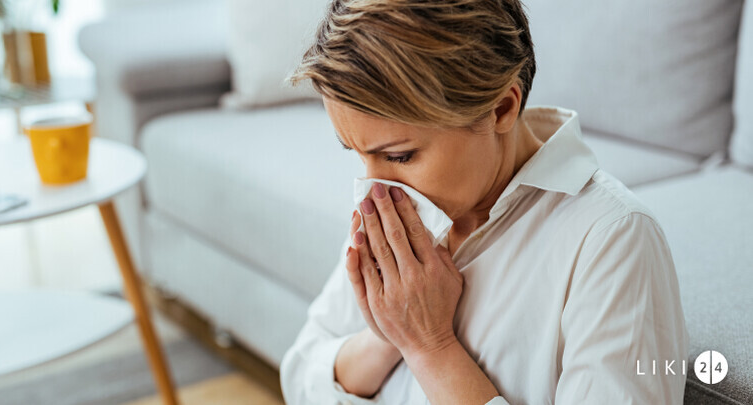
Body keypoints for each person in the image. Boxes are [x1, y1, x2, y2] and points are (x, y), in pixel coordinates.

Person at [280, 0, 689, 404]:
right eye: (356, 151)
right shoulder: (403, 210)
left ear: (501, 108)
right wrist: (390, 334)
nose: (374, 187)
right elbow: (300, 377)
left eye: (400, 156)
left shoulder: (610, 240)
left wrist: (430, 346)